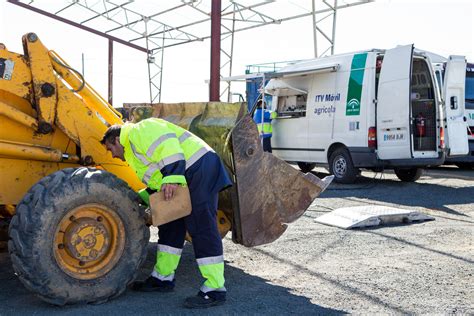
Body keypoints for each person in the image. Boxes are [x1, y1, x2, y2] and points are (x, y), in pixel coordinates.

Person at [101, 117, 232, 309]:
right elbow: (156, 182)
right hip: (184, 174)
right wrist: (138, 198)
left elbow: (168, 147)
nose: (111, 155)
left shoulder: (139, 131)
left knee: (201, 226)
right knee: (169, 225)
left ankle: (215, 289)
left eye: (109, 149)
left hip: (198, 168)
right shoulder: (133, 153)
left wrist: (172, 177)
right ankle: (162, 278)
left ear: (116, 140)